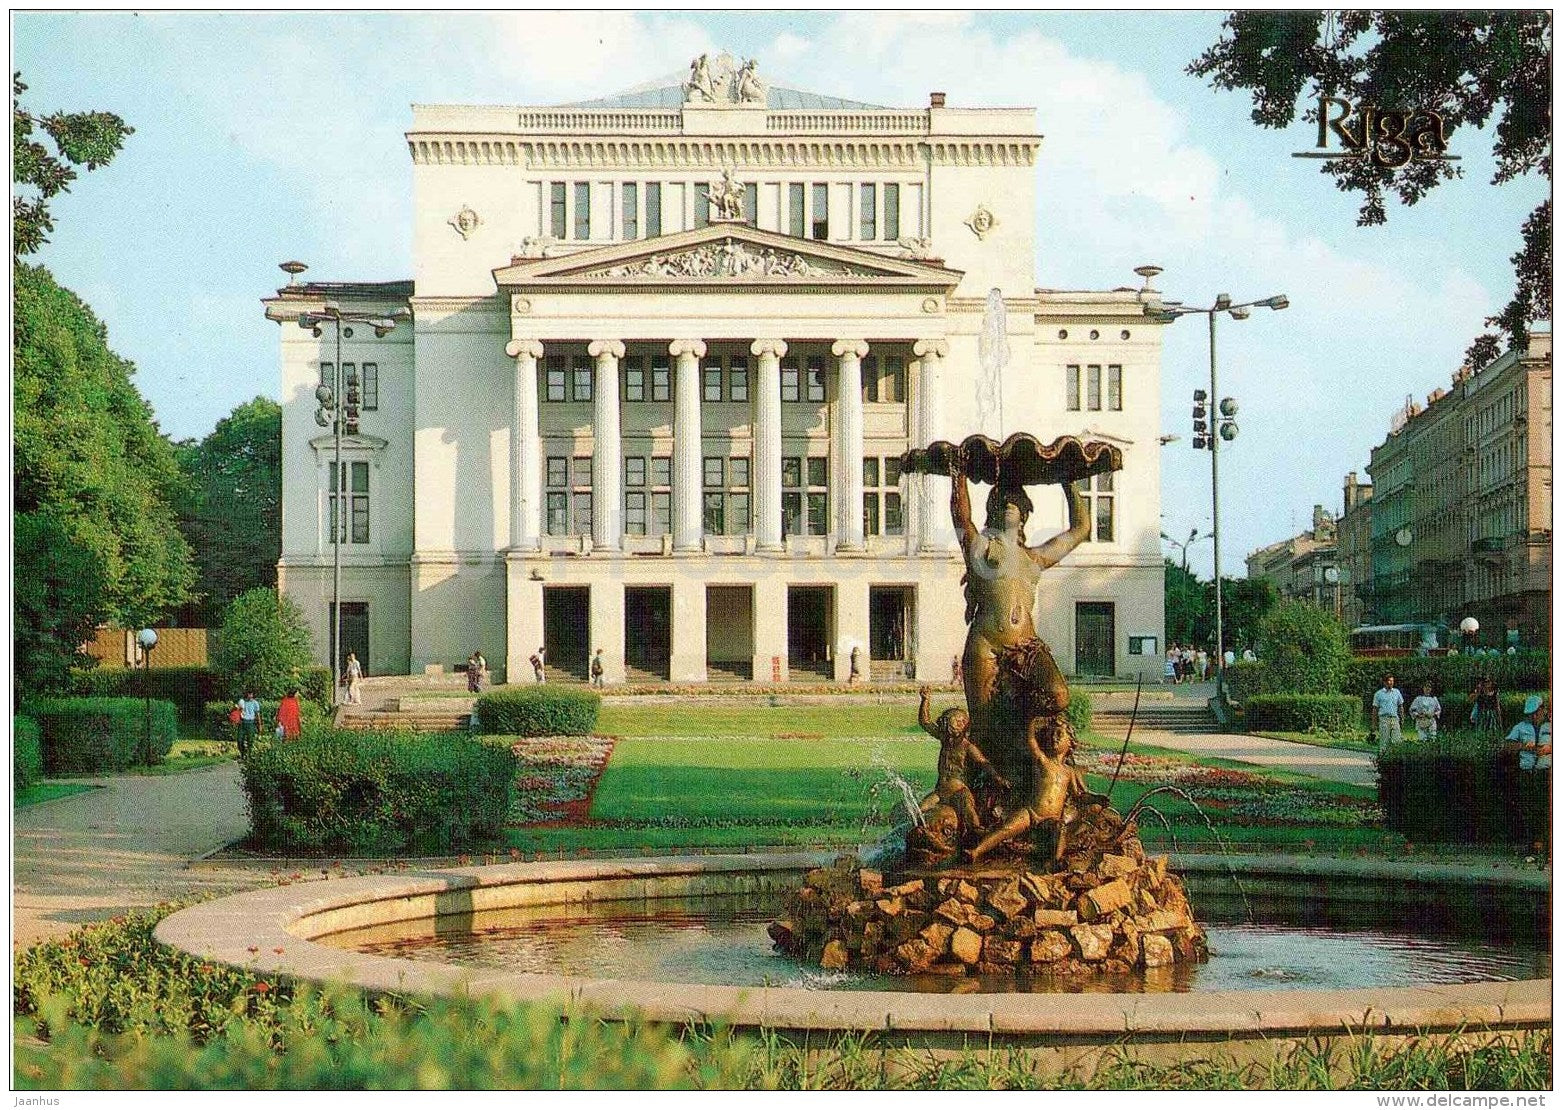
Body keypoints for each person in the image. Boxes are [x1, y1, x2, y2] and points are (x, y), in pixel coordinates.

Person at [949, 450, 1090, 779]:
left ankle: (1028, 746)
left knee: (1057, 694)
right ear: (993, 510)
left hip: (1026, 647)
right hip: (985, 646)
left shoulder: (1035, 557)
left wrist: (1067, 480)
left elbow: (1081, 529)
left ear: (1025, 513)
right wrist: (958, 475)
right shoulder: (982, 549)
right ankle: (984, 791)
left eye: (1014, 500)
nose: (1007, 503)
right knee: (983, 728)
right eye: (1001, 500)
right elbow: (961, 517)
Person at [917, 687, 1007, 840]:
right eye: (956, 719)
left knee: (970, 815)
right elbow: (924, 722)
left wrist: (998, 779)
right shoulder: (944, 739)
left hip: (959, 791)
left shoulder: (967, 746)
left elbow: (983, 762)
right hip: (940, 792)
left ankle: (981, 837)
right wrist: (925, 700)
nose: (959, 722)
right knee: (920, 810)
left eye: (962, 721)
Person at [1372, 674, 1405, 751]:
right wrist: (1374, 723)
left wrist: (1402, 718)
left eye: (1392, 681)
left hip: (1394, 718)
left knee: (1397, 740)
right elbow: (1375, 709)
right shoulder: (1379, 694)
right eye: (1389, 681)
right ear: (1385, 682)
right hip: (1384, 719)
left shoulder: (1397, 692)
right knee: (1384, 741)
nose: (1391, 682)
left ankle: (1395, 758)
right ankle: (1383, 758)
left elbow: (1400, 706)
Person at [235, 690, 262, 756]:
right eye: (248, 694)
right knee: (239, 740)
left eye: (251, 694)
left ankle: (249, 755)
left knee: (250, 740)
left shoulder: (255, 703)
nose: (250, 695)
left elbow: (257, 714)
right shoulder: (242, 702)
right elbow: (237, 711)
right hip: (242, 722)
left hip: (251, 722)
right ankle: (243, 753)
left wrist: (259, 725)